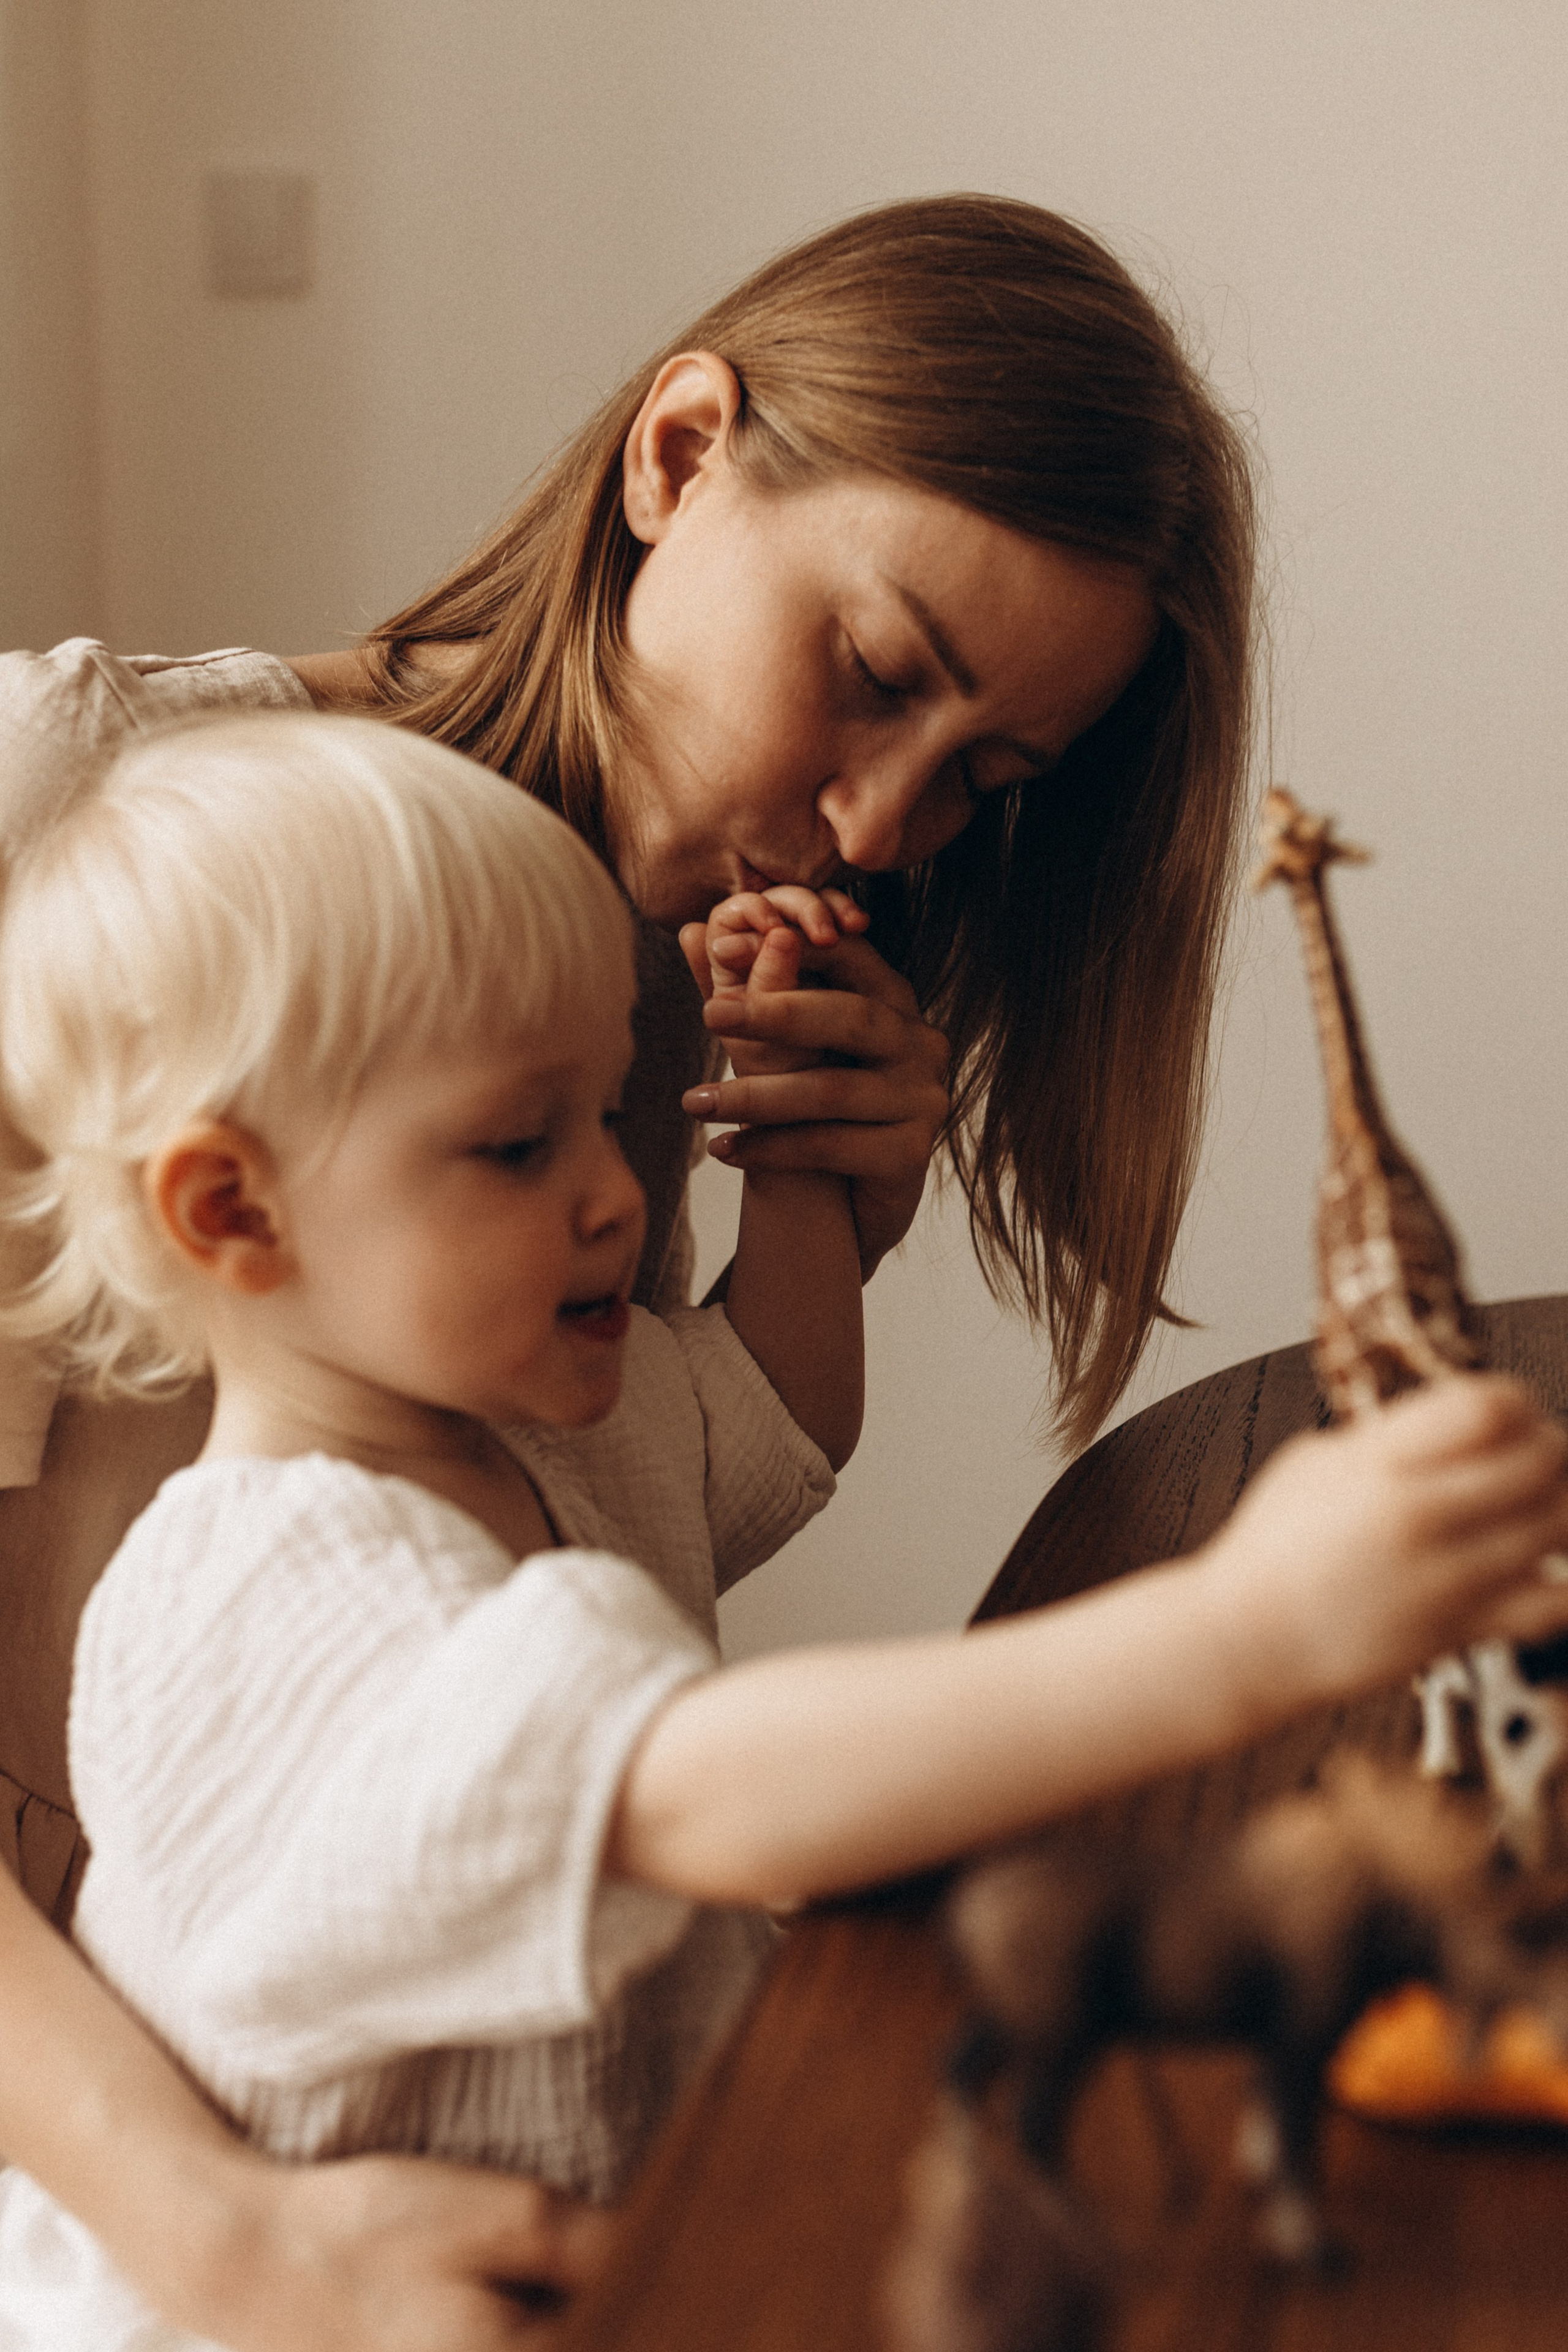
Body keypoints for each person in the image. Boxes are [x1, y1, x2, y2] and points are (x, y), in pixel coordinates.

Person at [0, 190, 1303, 2342]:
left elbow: (636, 1515)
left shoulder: (629, 947)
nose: (885, 832)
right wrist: (217, 2234)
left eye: (983, 779)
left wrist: (827, 1217)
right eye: (876, 675)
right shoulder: (87, 813)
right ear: (679, 457)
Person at [4, 712, 1568, 2352]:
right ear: (233, 1212)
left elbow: (768, 1401)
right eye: (516, 1144)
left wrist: (791, 1145)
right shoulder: (262, 1595)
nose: (615, 1192)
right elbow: (710, 1794)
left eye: (614, 1110)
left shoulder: (529, 1433)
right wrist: (1252, 1626)